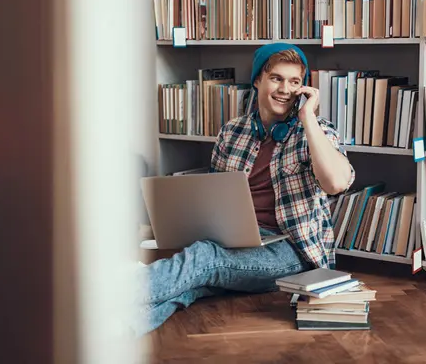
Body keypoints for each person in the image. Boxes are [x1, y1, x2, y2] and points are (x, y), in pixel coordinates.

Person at [133, 42, 355, 336]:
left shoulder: (318, 131)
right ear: (258, 80)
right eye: (276, 78)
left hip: (291, 250)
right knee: (193, 284)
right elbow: (215, 199)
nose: (285, 89)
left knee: (204, 259)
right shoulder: (232, 131)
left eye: (295, 82)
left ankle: (104, 297)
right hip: (238, 240)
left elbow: (337, 183)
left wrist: (308, 119)